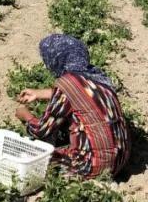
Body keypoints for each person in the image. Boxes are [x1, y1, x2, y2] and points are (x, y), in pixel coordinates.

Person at [14, 34, 131, 179]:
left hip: (93, 166)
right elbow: (82, 95)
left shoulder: (67, 83)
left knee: (31, 160)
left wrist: (26, 116)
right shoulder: (97, 77)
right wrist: (40, 94)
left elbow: (41, 130)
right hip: (120, 160)